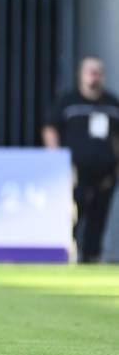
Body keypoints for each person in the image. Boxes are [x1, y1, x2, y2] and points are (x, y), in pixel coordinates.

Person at [42, 57, 119, 262]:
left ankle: (92, 256)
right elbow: (51, 129)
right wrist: (57, 160)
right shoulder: (69, 101)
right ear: (81, 74)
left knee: (99, 215)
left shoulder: (112, 104)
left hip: (105, 172)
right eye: (90, 71)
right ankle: (69, 252)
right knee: (73, 213)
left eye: (98, 71)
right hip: (76, 170)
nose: (94, 75)